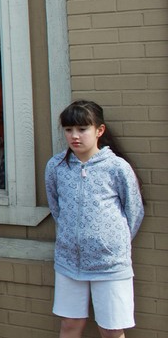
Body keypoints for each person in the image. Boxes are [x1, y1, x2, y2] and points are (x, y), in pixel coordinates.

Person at [45, 100, 144, 338]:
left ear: (99, 130)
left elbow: (134, 211)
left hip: (110, 264)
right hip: (69, 261)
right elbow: (56, 207)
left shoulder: (117, 167)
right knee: (70, 325)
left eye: (82, 129)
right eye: (69, 130)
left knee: (110, 330)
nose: (74, 136)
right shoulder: (56, 166)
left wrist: (110, 242)